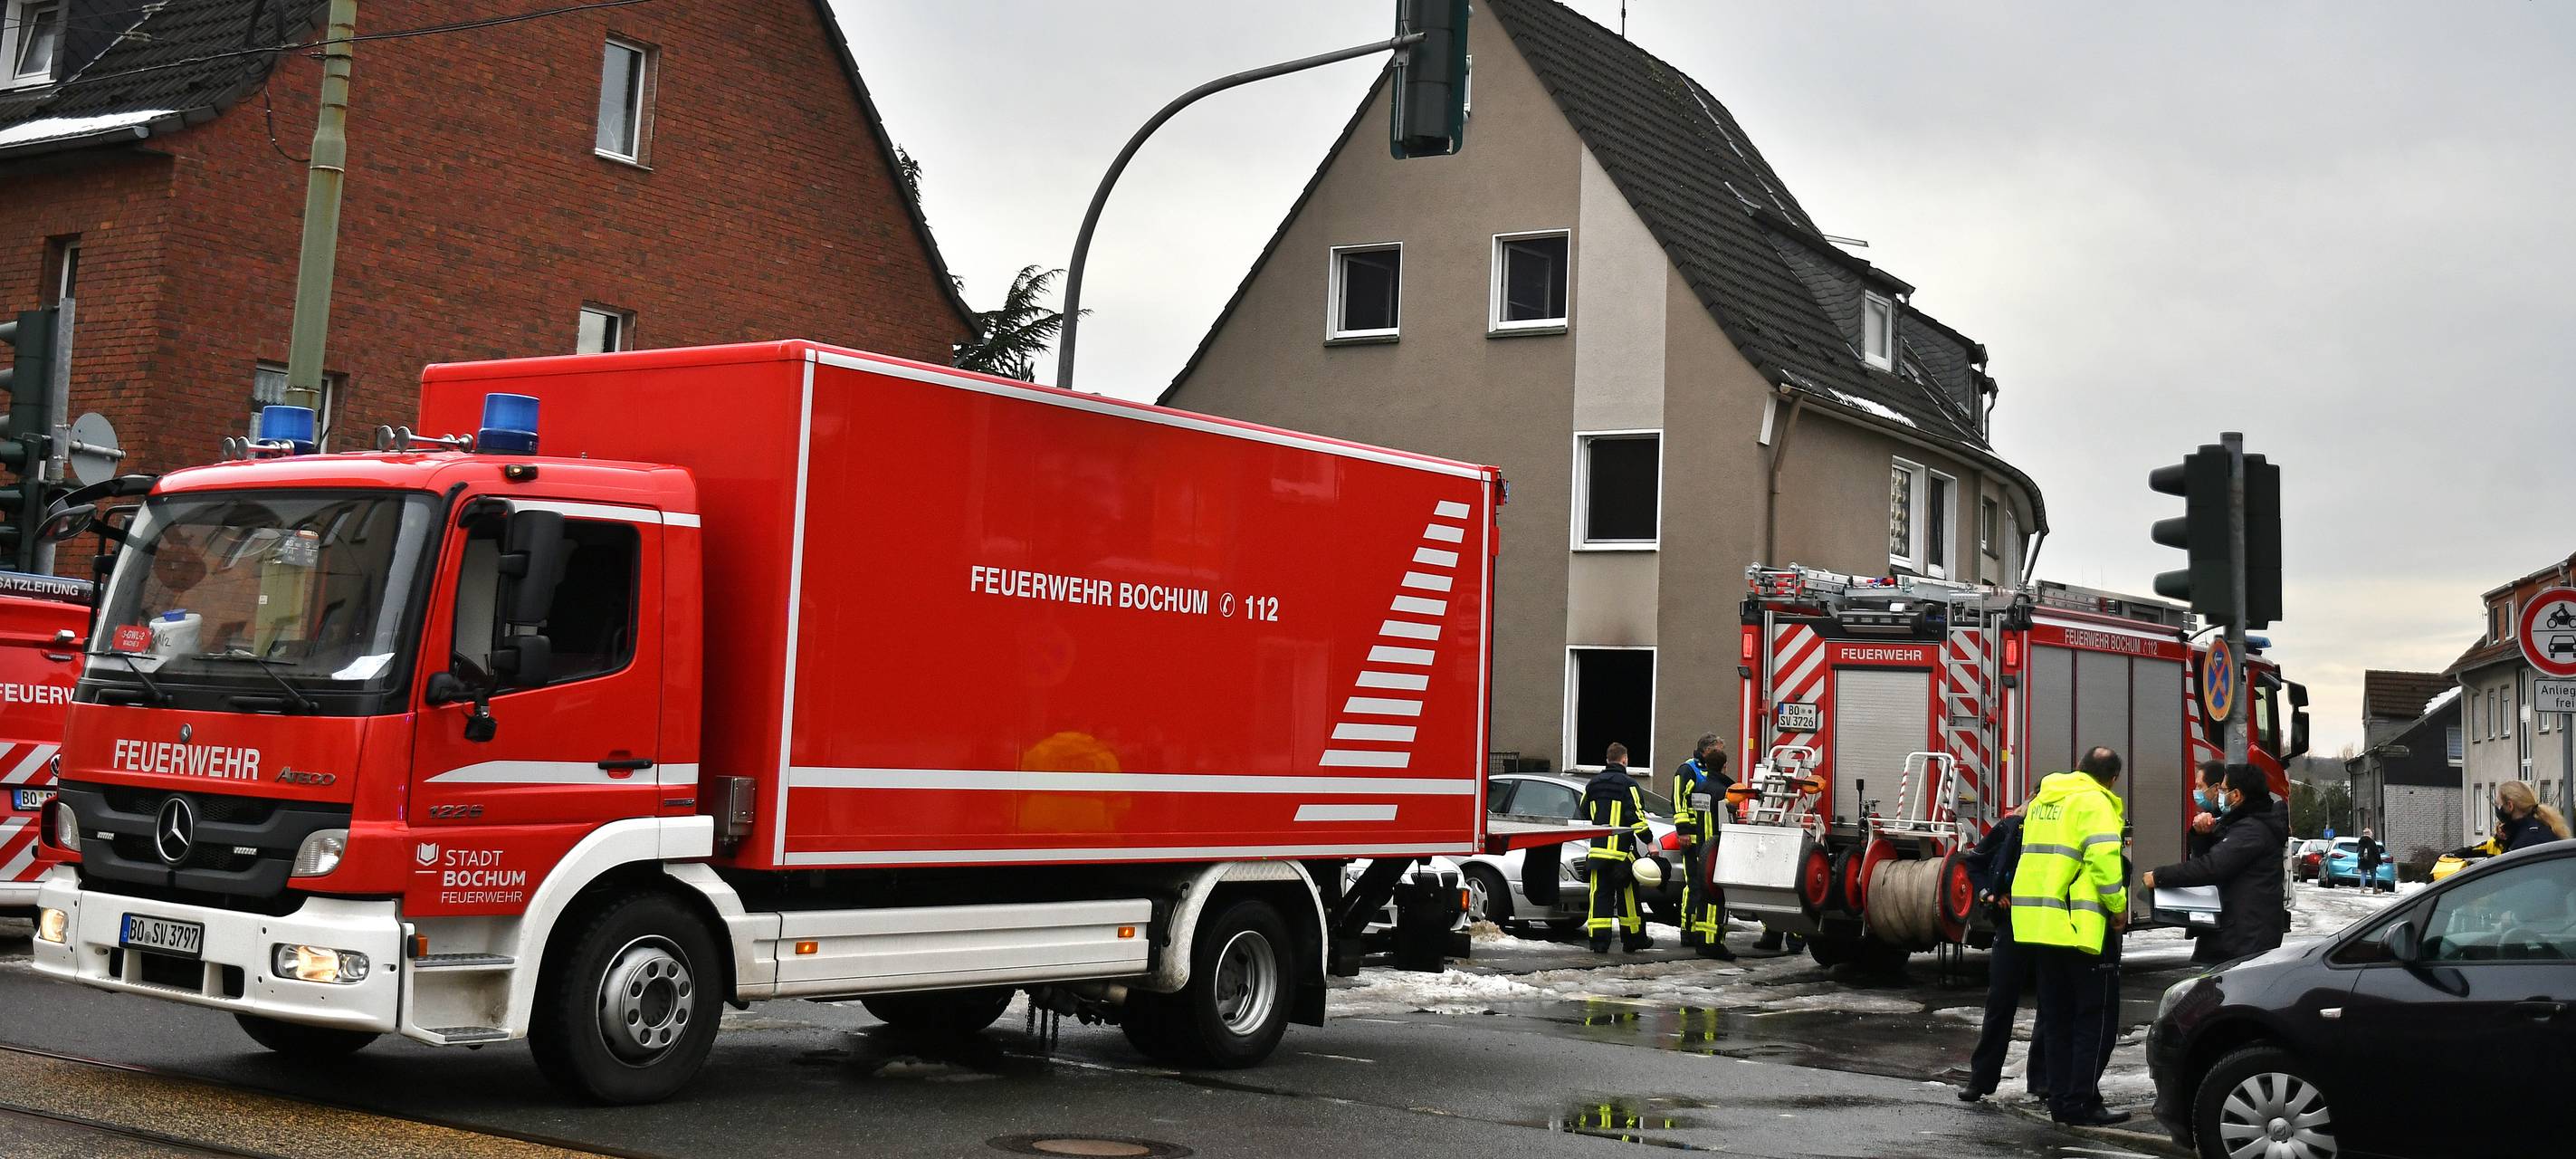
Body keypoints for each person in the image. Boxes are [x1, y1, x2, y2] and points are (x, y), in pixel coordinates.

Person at [2009, 745, 2131, 1127]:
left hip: (2040, 926)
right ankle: (2083, 1103)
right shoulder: (2096, 803)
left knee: (2057, 1020)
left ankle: (2061, 1101)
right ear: (2111, 779)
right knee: (2096, 1020)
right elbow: (2104, 862)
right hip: (2082, 929)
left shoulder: (2045, 799)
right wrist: (2118, 907)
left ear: (2077, 768)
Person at [2141, 763, 2285, 964]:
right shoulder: (2240, 825)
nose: (2220, 794)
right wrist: (2202, 836)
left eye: (2224, 790)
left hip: (2244, 938)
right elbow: (2213, 861)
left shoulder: (2252, 831)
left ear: (2236, 795)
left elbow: (2212, 867)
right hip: (2235, 933)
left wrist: (2159, 876)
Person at [1957, 802, 2046, 1104]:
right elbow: (1976, 862)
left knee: (2050, 1005)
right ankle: (1981, 1079)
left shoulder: (2060, 832)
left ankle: (2041, 1081)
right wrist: (1988, 894)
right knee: (2000, 1003)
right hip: (2011, 925)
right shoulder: (2010, 828)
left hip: (2050, 924)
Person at [1583, 742, 1655, 954]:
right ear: (1625, 760)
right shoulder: (1629, 784)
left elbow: (1583, 809)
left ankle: (1598, 941)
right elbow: (1636, 816)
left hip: (1597, 852)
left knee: (1599, 895)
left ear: (1607, 760)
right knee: (1628, 896)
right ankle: (1633, 938)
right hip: (1622, 853)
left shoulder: (1593, 784)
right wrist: (1649, 841)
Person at [1671, 734, 1735, 961]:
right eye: (1719, 749)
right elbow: (1678, 801)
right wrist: (1683, 831)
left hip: (1706, 841)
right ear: (1708, 751)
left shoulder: (1707, 775)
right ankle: (1689, 930)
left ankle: (1698, 932)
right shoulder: (1687, 770)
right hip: (1694, 838)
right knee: (1695, 886)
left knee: (1703, 887)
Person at [2496, 781, 2572, 851]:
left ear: (2510, 806)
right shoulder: (2541, 827)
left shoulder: (2527, 841)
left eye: (2499, 805)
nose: (2498, 810)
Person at [2356, 828, 2385, 893]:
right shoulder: (2372, 842)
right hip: (2371, 861)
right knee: (2373, 875)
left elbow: (2358, 850)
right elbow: (2376, 852)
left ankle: (2362, 889)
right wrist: (2379, 861)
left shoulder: (2360, 841)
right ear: (2369, 834)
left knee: (2363, 874)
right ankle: (2375, 889)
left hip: (2363, 860)